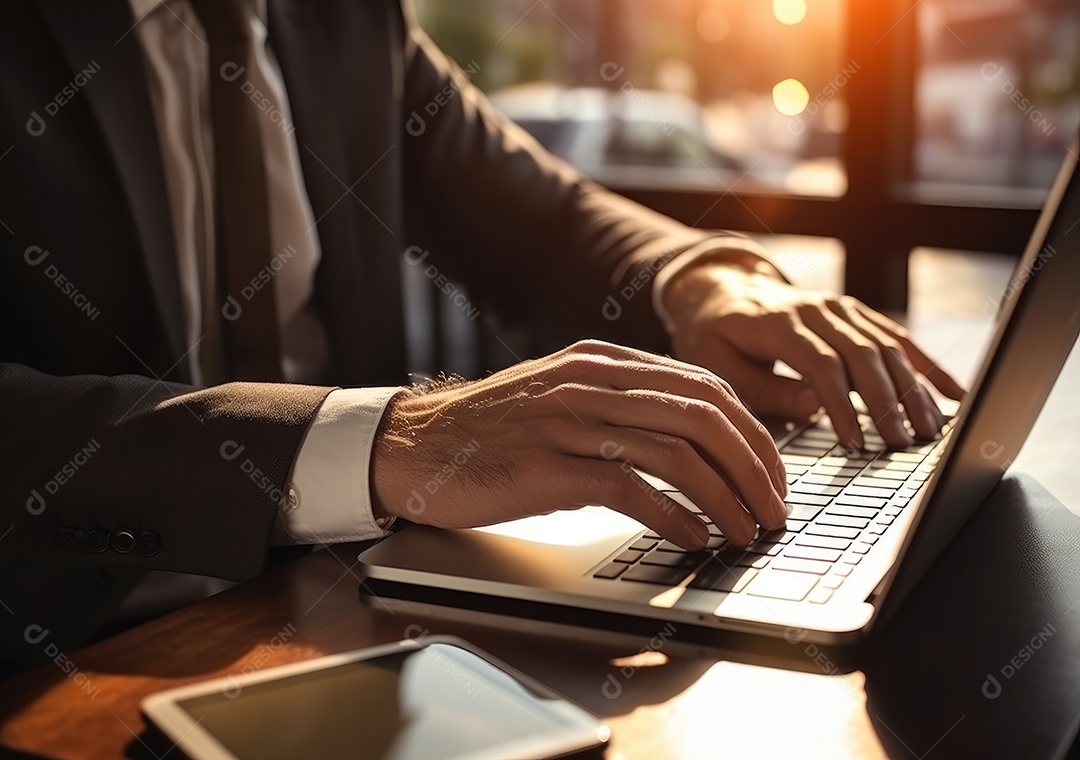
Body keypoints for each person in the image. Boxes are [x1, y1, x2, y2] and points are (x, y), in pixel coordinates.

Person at [0, 0, 962, 668]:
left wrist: (705, 282)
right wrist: (386, 441)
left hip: (348, 609)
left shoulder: (346, 19)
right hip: (64, 650)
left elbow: (537, 221)